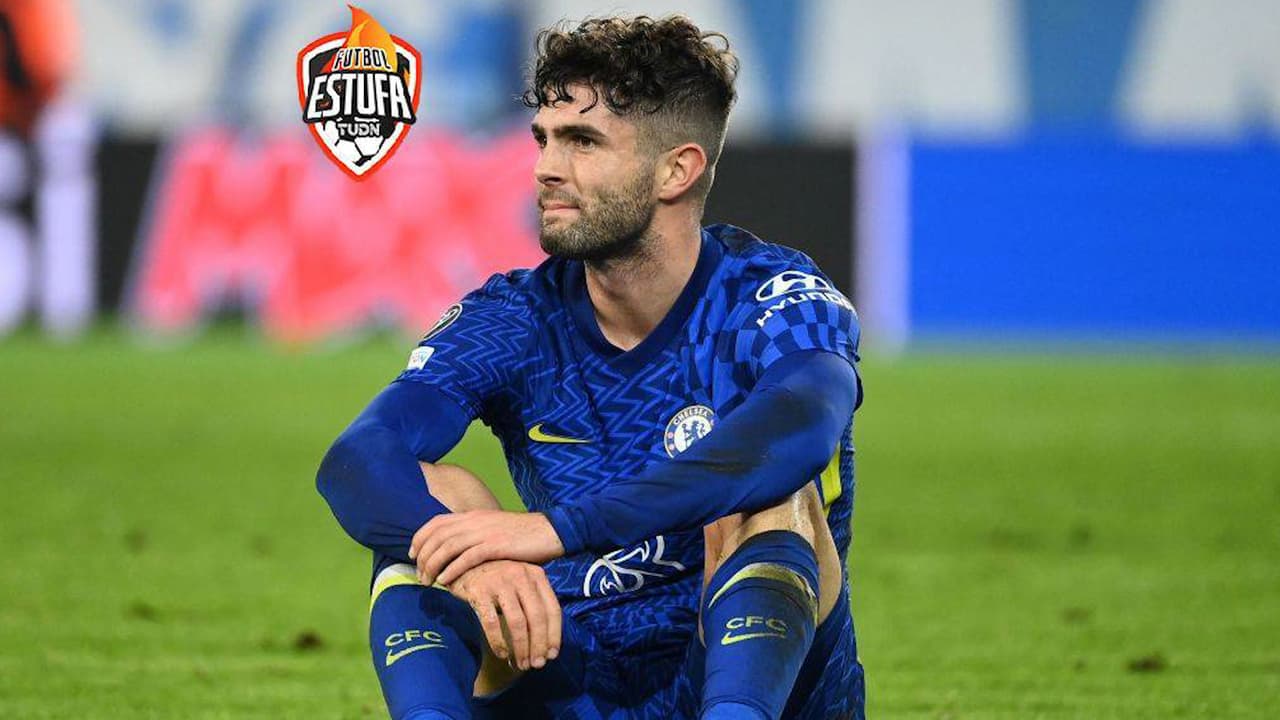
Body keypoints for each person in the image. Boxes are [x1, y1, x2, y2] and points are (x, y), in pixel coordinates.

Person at [317, 15, 865, 720]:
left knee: (775, 502)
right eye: (543, 138)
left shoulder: (772, 299)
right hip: (568, 678)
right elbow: (359, 456)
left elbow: (800, 428)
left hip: (746, 679)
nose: (546, 167)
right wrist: (479, 558)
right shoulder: (513, 318)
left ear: (676, 170)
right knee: (438, 510)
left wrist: (560, 530)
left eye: (583, 141)